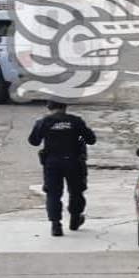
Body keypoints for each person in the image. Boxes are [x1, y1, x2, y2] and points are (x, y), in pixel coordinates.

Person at [28, 101, 97, 236]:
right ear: (65, 107)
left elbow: (33, 141)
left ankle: (56, 225)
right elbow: (91, 139)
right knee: (76, 191)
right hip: (74, 161)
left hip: (52, 163)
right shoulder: (75, 121)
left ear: (49, 107)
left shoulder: (44, 122)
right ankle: (75, 219)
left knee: (53, 193)